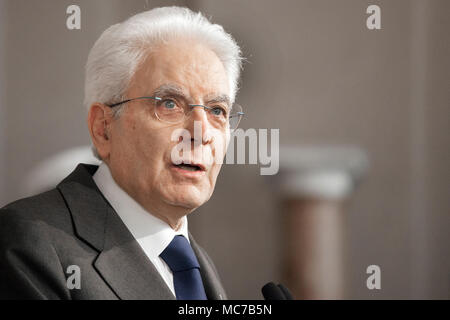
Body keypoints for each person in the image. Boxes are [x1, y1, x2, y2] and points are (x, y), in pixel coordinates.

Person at [0, 6, 244, 300]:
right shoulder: (31, 241)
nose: (202, 133)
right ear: (103, 128)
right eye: (169, 104)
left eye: (217, 110)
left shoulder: (196, 262)